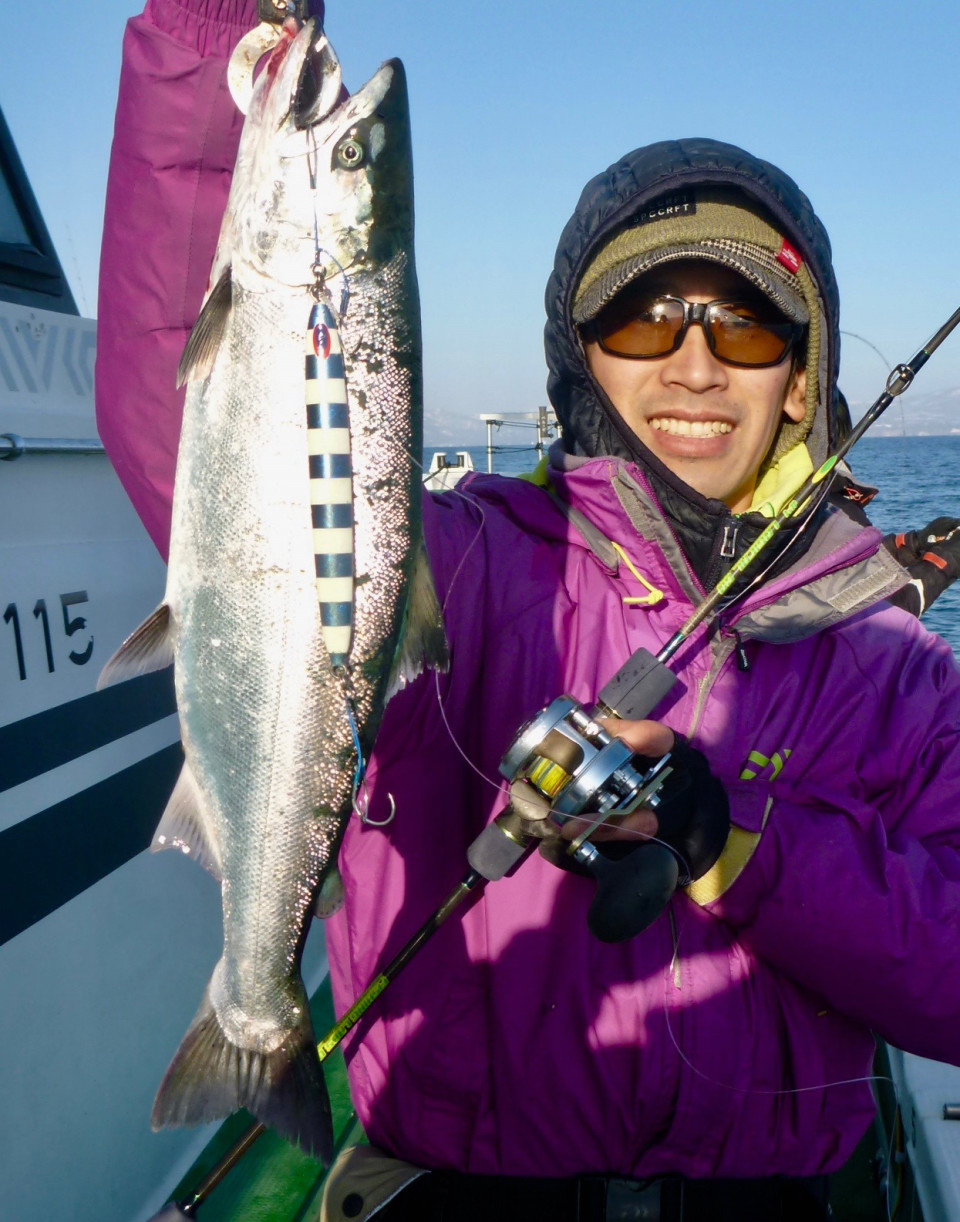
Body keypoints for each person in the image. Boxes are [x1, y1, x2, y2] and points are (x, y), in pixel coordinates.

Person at [97, 5, 960, 1221]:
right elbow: (191, 419)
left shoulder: (899, 663)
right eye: (645, 318)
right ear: (583, 358)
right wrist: (217, 34)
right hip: (470, 1188)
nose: (696, 367)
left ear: (803, 372)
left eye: (747, 323)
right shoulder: (463, 563)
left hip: (767, 1199)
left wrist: (732, 840)